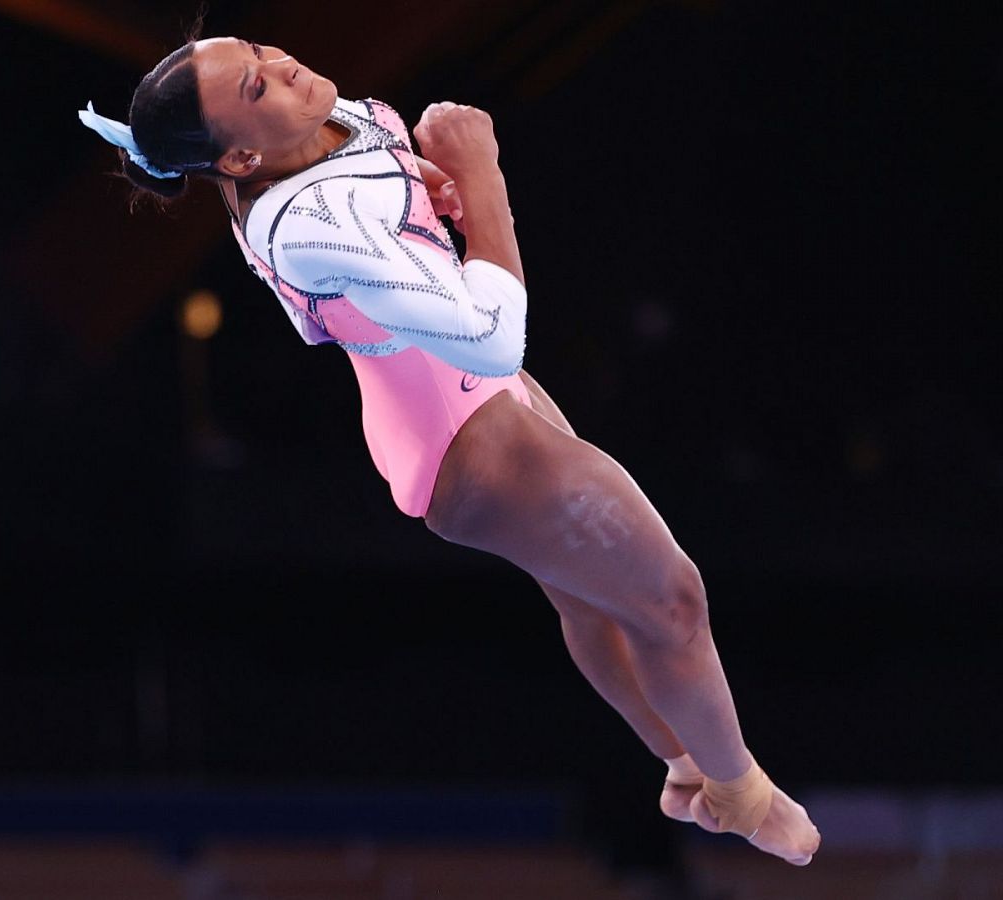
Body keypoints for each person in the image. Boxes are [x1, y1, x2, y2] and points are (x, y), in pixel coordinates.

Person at [78, 28, 822, 867]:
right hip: (467, 439)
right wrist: (479, 172)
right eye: (258, 87)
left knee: (588, 599)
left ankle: (685, 768)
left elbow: (390, 205)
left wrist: (428, 192)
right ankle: (742, 794)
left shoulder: (309, 121)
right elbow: (491, 337)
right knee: (673, 603)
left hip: (463, 400)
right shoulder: (312, 224)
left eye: (261, 51)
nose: (284, 67)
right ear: (243, 159)